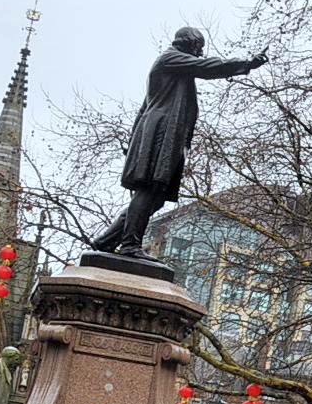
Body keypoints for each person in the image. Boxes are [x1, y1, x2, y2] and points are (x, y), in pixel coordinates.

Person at [90, 27, 269, 259]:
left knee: (155, 198)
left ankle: (106, 241)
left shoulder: (175, 69)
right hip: (161, 134)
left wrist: (134, 142)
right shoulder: (170, 58)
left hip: (166, 136)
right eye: (199, 48)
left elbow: (144, 108)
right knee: (149, 190)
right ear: (190, 44)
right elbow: (207, 68)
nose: (200, 53)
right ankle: (129, 244)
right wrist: (246, 63)